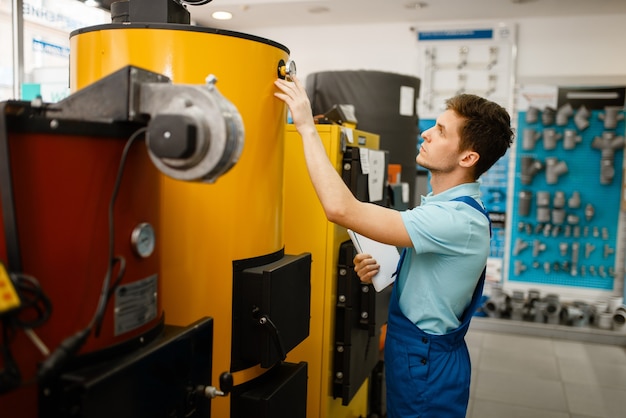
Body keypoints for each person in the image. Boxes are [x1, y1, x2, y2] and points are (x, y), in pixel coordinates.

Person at [274, 75, 513, 418]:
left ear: (468, 157)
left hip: (426, 365)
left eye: (442, 131)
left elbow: (340, 209)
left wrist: (306, 127)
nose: (426, 133)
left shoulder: (456, 218)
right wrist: (388, 266)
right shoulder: (443, 207)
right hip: (414, 354)